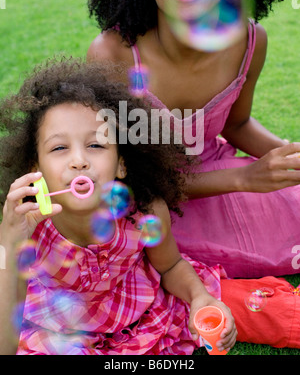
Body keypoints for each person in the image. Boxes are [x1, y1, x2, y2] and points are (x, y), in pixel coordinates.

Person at [0, 59, 299, 355]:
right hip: (57, 332)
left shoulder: (144, 212)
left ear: (121, 164)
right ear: (34, 168)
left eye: (96, 145)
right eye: (59, 148)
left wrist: (198, 297)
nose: (79, 160)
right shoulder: (27, 228)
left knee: (250, 307)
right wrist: (10, 241)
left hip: (141, 309)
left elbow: (169, 266)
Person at [87, 0, 300, 279]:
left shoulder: (250, 40)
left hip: (219, 174)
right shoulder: (112, 54)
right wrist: (245, 179)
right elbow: (116, 174)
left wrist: (286, 156)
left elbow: (237, 124)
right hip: (151, 201)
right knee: (152, 259)